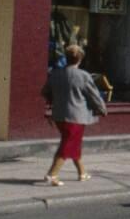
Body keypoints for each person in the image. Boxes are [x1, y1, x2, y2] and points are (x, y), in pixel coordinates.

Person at [40, 43, 107, 185]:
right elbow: (94, 95)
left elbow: (45, 92)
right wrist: (102, 108)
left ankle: (83, 173)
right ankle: (53, 174)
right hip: (76, 116)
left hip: (59, 115)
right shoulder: (83, 76)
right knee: (68, 144)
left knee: (72, 143)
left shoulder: (55, 74)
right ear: (80, 59)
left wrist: (56, 98)